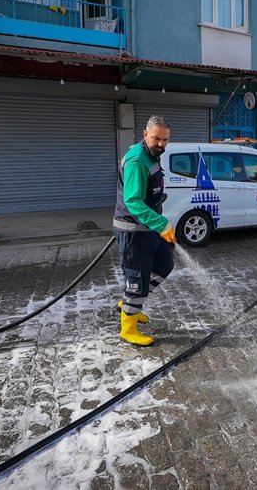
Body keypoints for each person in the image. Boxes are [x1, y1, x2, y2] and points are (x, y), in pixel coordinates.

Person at [112, 116, 177, 346]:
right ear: (145, 134)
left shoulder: (151, 155)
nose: (161, 143)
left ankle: (131, 304)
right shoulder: (138, 161)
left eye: (165, 139)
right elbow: (133, 201)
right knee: (137, 279)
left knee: (164, 266)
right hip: (134, 231)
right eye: (156, 138)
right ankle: (128, 327)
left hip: (147, 227)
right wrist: (161, 224)